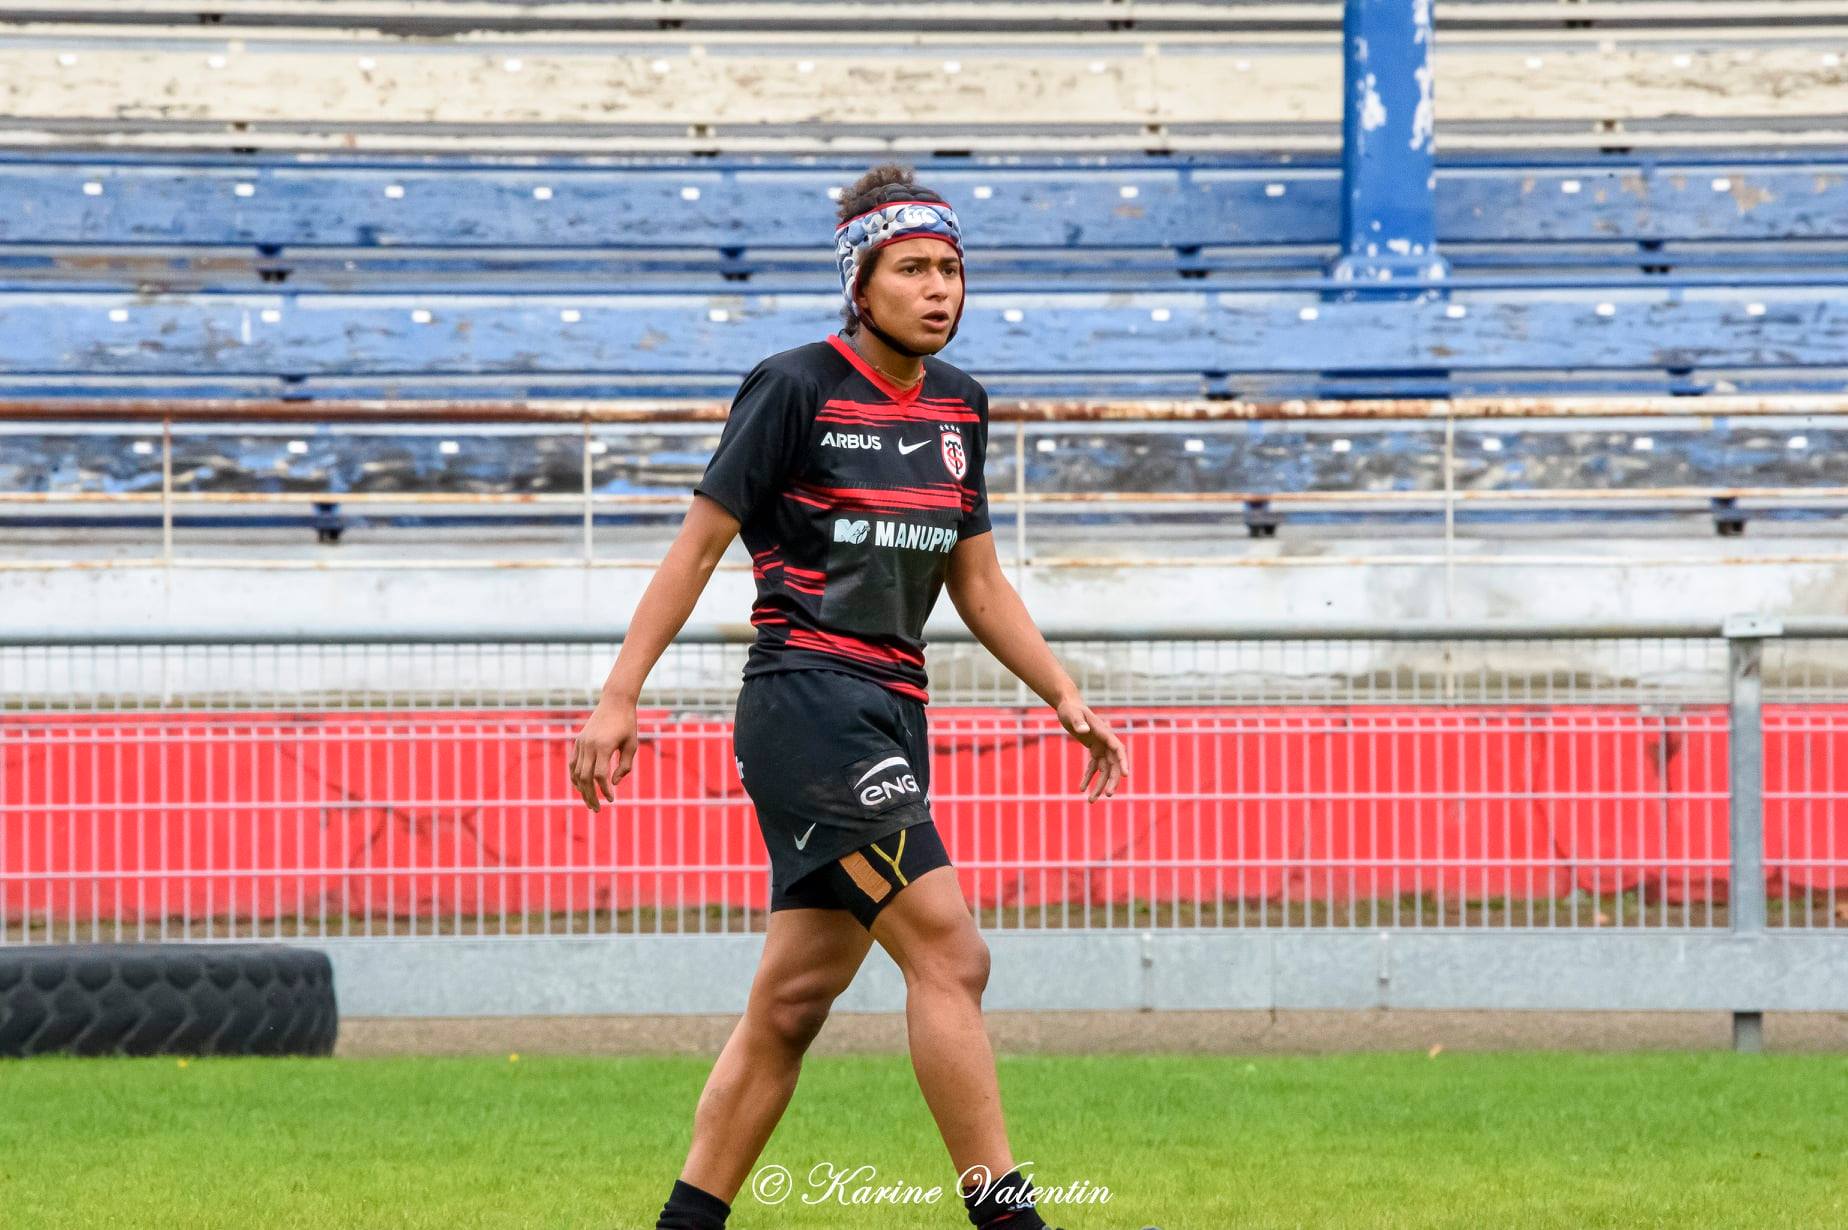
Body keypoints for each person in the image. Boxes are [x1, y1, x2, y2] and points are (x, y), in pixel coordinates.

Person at [567, 162, 1128, 1230]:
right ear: (859, 284)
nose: (938, 288)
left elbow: (977, 578)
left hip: (890, 711)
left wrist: (1062, 691)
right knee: (952, 952)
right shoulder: (793, 387)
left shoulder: (963, 407)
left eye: (951, 268)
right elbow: (695, 553)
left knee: (789, 1004)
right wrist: (619, 693)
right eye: (912, 267)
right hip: (806, 704)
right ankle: (1009, 1218)